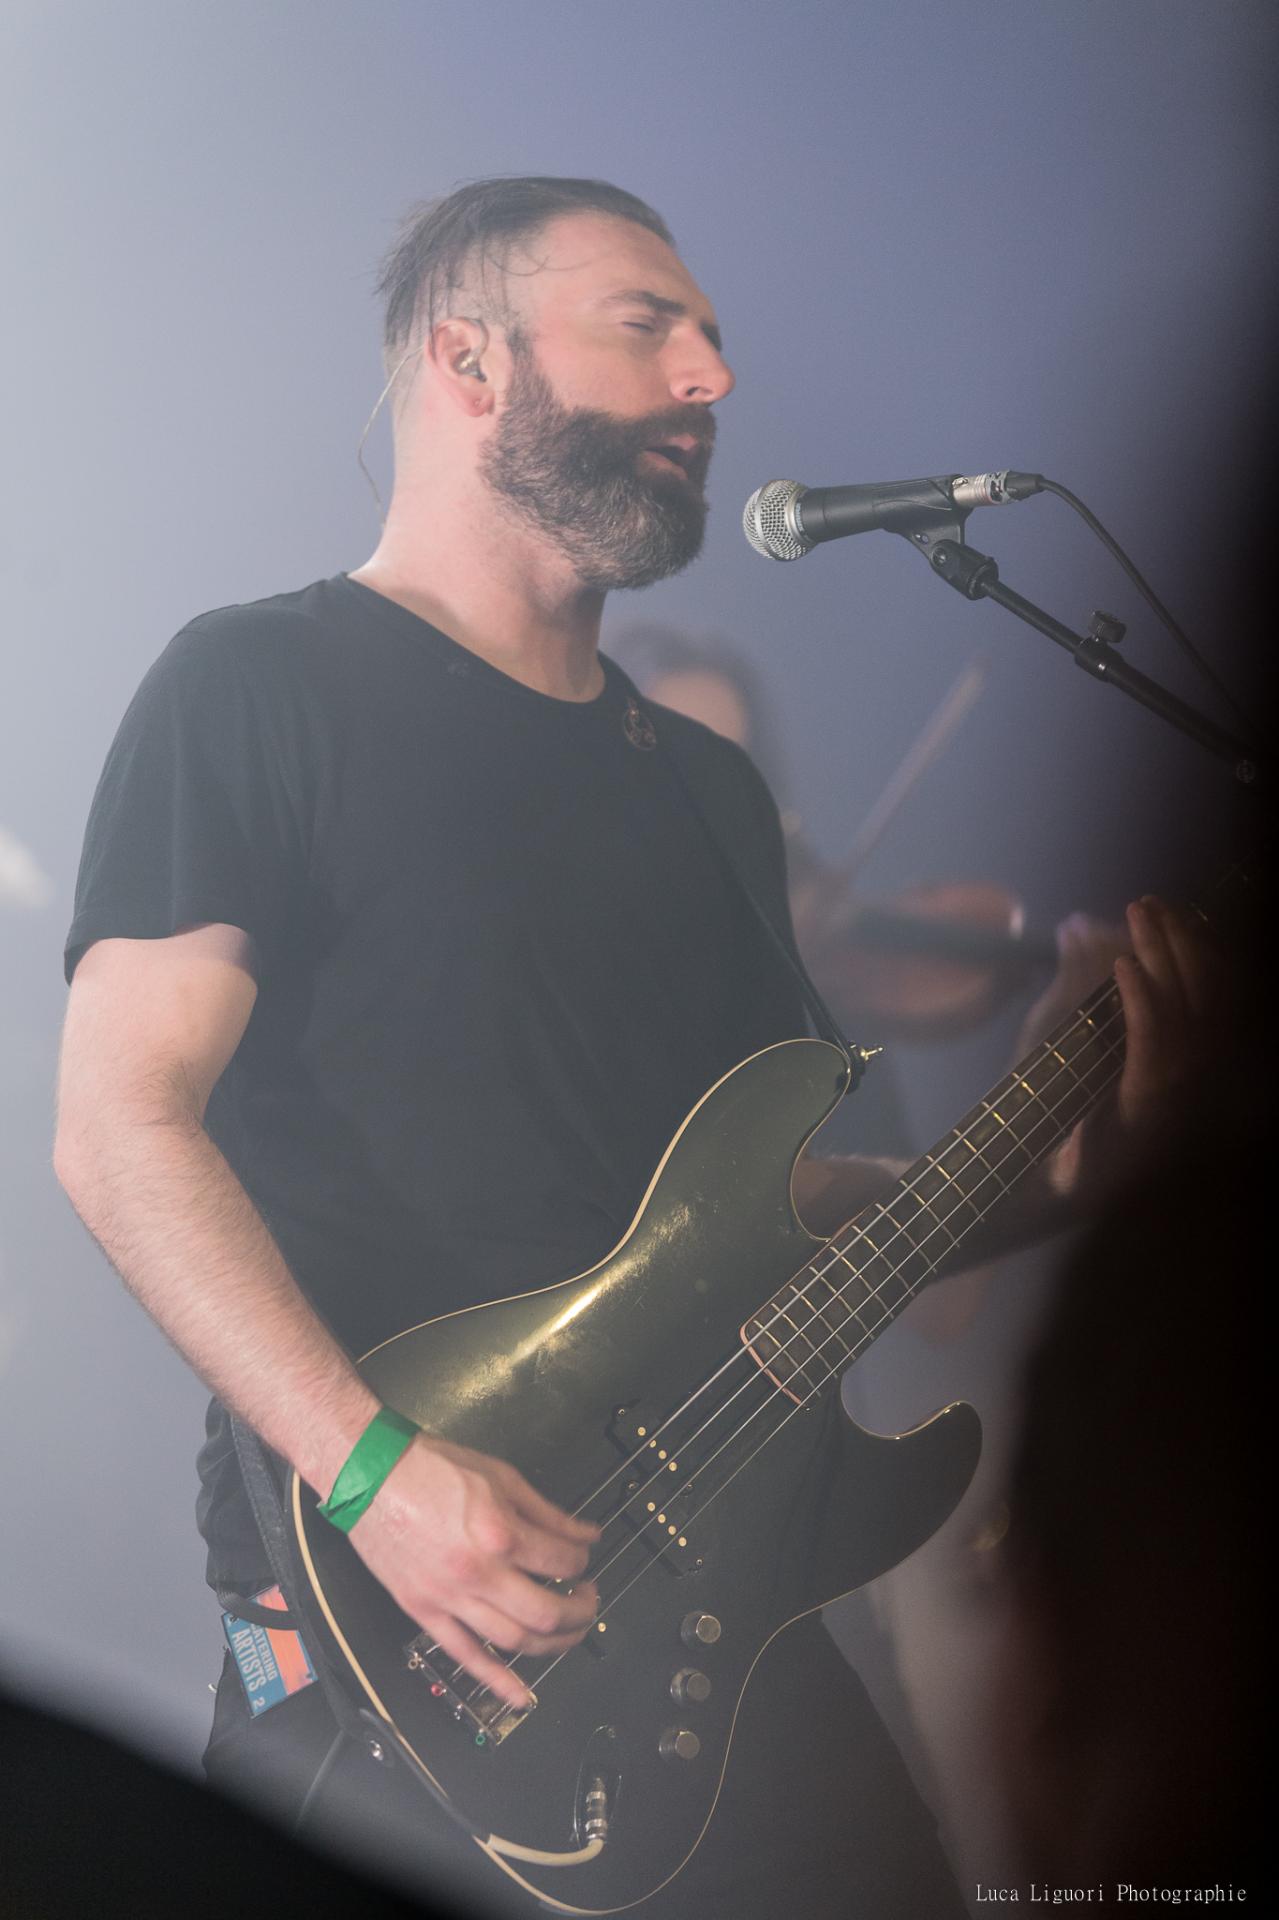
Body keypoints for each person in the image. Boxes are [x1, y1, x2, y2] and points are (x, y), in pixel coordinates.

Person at [54, 176, 1203, 1917]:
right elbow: (121, 1125)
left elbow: (786, 1217)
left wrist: (1074, 1159)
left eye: (715, 339)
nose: (710, 378)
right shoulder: (254, 686)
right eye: (647, 324)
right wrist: (375, 1474)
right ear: (468, 360)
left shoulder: (708, 790)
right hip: (412, 1658)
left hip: (731, 1639)